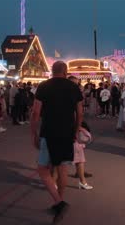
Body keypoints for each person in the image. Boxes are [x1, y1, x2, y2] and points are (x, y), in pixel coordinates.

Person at [30, 61, 83, 223]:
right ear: (65, 71)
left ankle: (58, 203)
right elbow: (80, 113)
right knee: (62, 168)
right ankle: (59, 202)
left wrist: (34, 133)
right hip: (67, 133)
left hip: (49, 132)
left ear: (52, 71)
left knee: (42, 168)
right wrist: (75, 131)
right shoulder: (74, 88)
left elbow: (36, 112)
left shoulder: (44, 86)